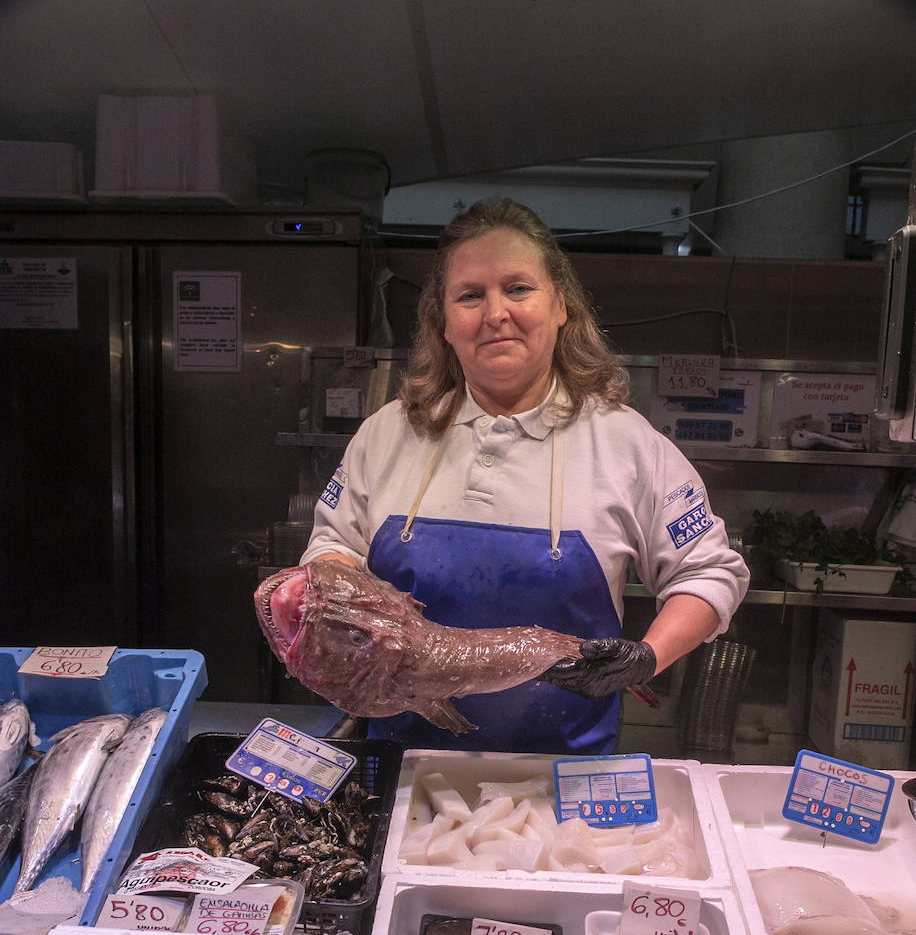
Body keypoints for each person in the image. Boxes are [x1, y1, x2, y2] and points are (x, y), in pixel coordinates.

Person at [301, 197, 749, 753]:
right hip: (402, 764)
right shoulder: (386, 435)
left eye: (518, 288)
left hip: (568, 775)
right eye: (470, 295)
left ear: (560, 305)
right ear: (442, 323)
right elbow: (332, 547)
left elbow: (709, 572)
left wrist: (647, 656)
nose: (496, 314)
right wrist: (339, 589)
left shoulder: (627, 443)